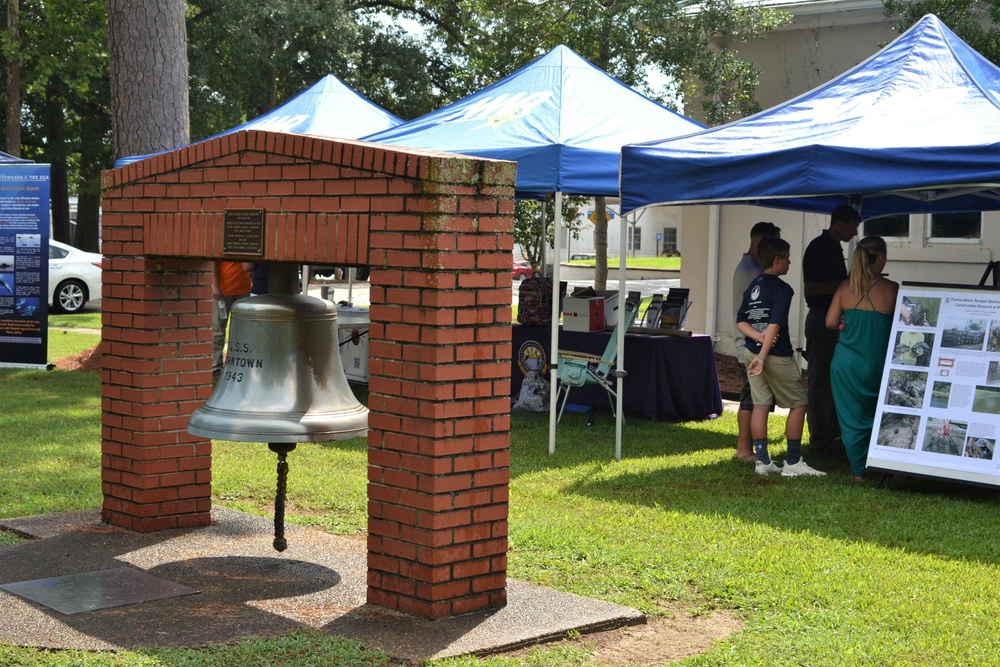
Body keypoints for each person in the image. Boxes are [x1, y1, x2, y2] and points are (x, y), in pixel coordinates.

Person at [737, 237, 825, 477]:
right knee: (799, 404)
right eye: (787, 257)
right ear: (777, 260)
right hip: (774, 355)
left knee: (760, 404)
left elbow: (740, 321)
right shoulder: (782, 289)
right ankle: (793, 462)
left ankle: (763, 462)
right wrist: (763, 354)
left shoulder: (753, 285)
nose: (789, 262)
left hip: (750, 352)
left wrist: (757, 338)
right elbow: (775, 324)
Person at [826, 235, 898, 481]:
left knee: (851, 418)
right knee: (877, 413)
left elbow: (830, 322)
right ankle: (880, 462)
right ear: (879, 258)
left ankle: (859, 472)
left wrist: (847, 323)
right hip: (876, 363)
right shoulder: (892, 289)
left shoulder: (845, 288)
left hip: (845, 363)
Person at [802, 204, 861, 454]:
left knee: (833, 377)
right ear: (839, 223)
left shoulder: (834, 247)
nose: (854, 233)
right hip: (821, 320)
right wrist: (845, 285)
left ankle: (831, 431)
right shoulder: (818, 247)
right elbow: (811, 289)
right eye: (852, 227)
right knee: (819, 379)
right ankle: (819, 438)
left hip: (833, 321)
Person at [732, 221, 782, 463]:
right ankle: (744, 450)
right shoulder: (753, 273)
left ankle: (747, 448)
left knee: (753, 397)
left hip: (751, 344)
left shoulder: (749, 268)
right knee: (750, 399)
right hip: (750, 346)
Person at [212, 261, 252, 375]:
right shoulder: (222, 243)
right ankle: (215, 366)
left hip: (244, 290)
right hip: (223, 291)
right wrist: (215, 286)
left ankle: (237, 363)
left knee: (241, 331)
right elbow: (214, 262)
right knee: (218, 329)